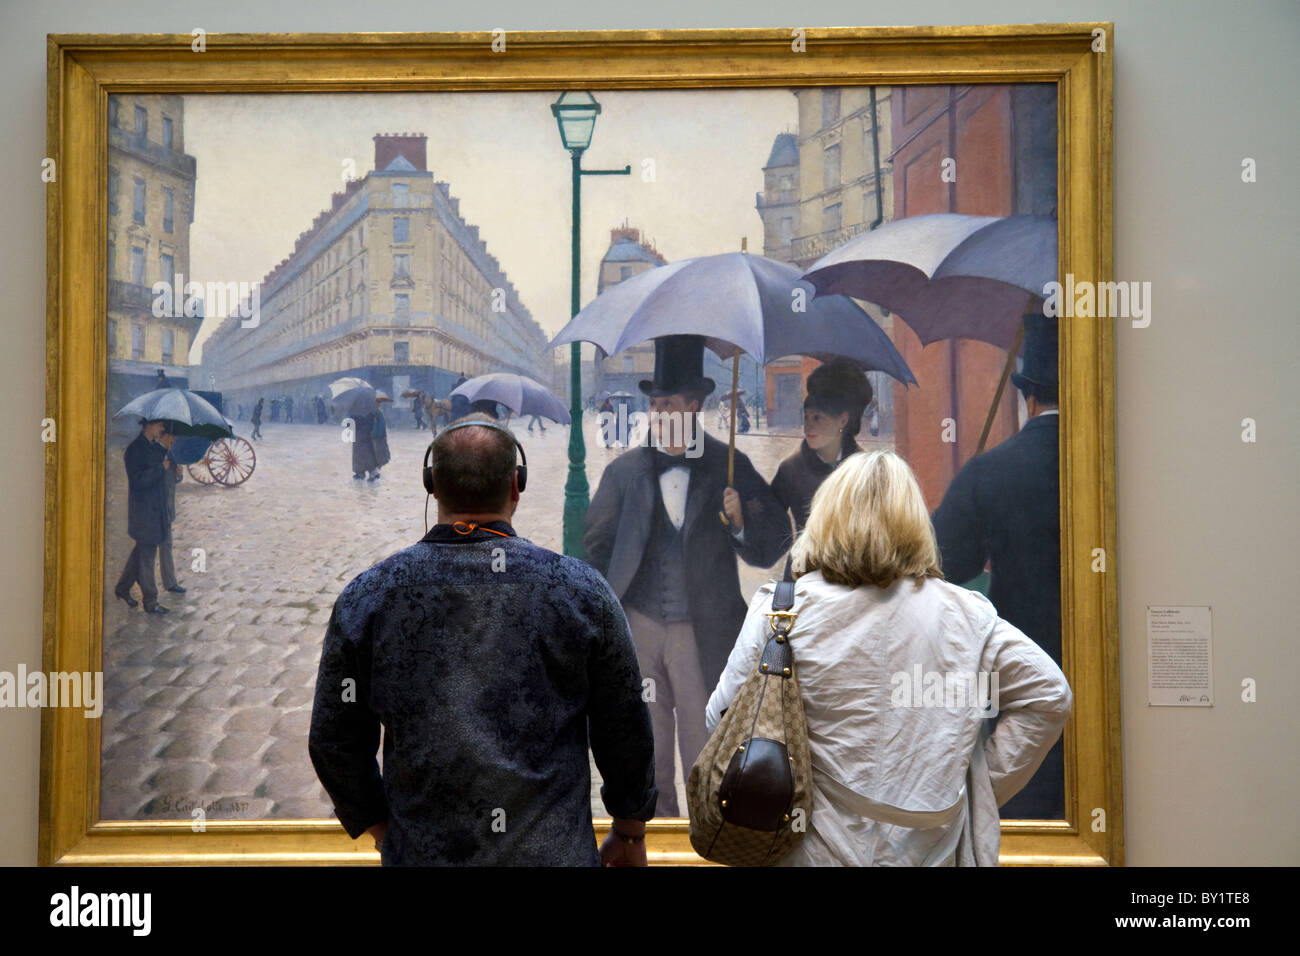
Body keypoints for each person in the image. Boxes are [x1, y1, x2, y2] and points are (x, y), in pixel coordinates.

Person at [309, 414, 658, 865]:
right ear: (517, 485)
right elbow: (624, 728)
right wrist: (630, 833)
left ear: (432, 484)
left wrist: (382, 829)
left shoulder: (369, 597)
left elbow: (333, 741)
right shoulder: (581, 593)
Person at [705, 450, 1072, 866]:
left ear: (824, 518)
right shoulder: (966, 615)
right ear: (915, 525)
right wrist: (979, 788)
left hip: (806, 850)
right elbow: (1050, 696)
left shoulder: (779, 612)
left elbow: (722, 719)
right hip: (931, 852)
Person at [584, 335, 788, 816]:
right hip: (638, 627)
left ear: (695, 405)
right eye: (653, 404)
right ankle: (653, 841)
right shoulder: (625, 472)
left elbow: (777, 540)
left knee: (705, 746)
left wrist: (741, 524)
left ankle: (704, 840)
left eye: (668, 403)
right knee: (646, 751)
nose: (656, 412)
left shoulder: (729, 465)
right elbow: (592, 551)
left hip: (705, 629)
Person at [931, 314, 1064, 819]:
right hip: (1108, 667)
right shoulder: (1112, 462)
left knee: (1031, 809)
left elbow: (941, 561)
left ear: (1027, 395)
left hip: (1022, 667)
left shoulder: (992, 469)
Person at [770, 358, 874, 551]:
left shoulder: (868, 471)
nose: (809, 425)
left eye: (818, 418)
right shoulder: (790, 469)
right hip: (803, 572)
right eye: (806, 417)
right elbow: (770, 530)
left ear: (843, 420)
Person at [113, 419, 175, 615]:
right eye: (159, 425)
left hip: (155, 511)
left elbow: (164, 478)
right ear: (148, 425)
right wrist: (160, 469)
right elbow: (138, 481)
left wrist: (174, 471)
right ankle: (150, 601)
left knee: (141, 553)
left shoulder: (153, 448)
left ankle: (122, 588)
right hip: (144, 513)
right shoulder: (134, 450)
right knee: (147, 557)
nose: (162, 429)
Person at [158, 429, 185, 596]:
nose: (174, 439)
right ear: (164, 436)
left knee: (166, 545)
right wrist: (161, 469)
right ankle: (126, 584)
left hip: (166, 508)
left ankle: (170, 582)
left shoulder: (171, 455)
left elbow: (173, 481)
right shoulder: (153, 453)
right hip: (153, 508)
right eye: (172, 436)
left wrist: (179, 474)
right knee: (145, 550)